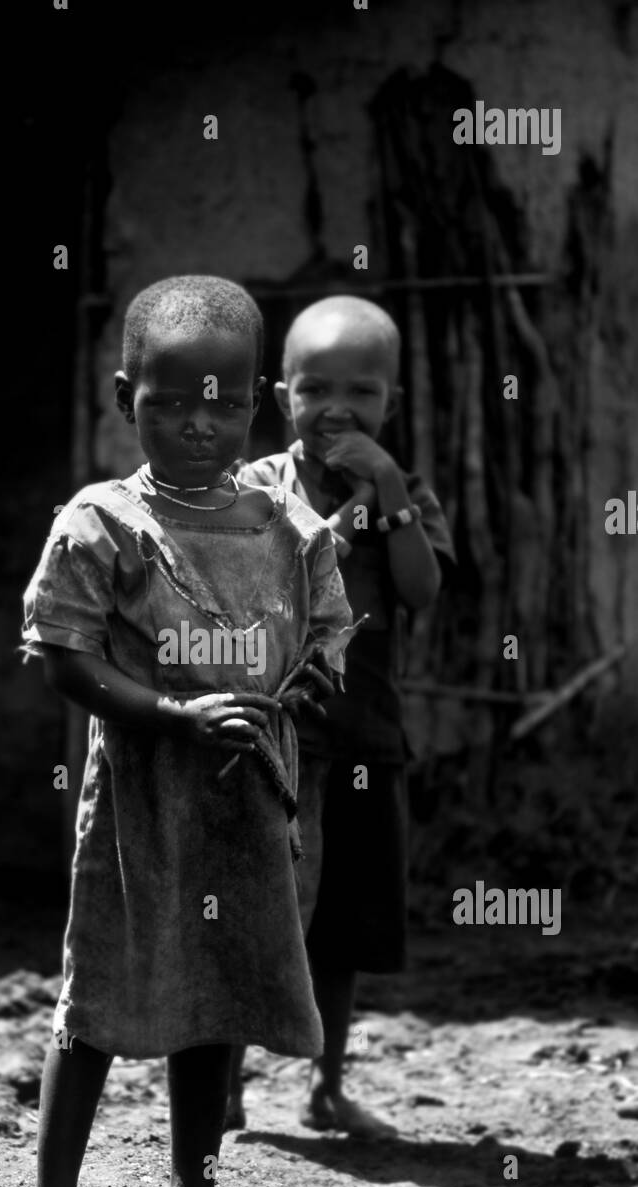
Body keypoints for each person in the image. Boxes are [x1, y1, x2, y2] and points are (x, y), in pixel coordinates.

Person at [14, 276, 353, 1187]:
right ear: (128, 399)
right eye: (170, 402)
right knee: (99, 998)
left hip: (245, 805)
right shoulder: (103, 523)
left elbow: (333, 639)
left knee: (215, 1008)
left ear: (253, 403)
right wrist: (172, 712)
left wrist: (298, 694)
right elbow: (63, 656)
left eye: (220, 400)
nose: (198, 422)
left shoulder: (289, 529)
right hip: (139, 809)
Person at [229, 295, 456, 1137]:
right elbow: (277, 577)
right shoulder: (257, 486)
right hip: (279, 740)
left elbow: (422, 588)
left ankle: (326, 1087)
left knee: (347, 925)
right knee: (259, 915)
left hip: (366, 732)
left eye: (361, 391)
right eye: (314, 387)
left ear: (389, 403)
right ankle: (225, 1091)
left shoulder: (410, 490)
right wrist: (348, 517)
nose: (338, 408)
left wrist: (388, 490)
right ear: (281, 396)